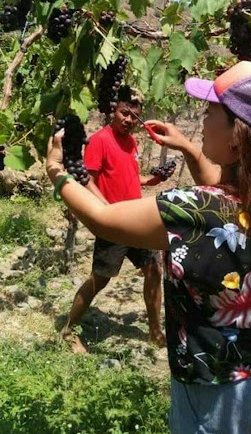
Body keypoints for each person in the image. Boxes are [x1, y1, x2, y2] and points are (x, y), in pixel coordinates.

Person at [47, 61, 251, 434]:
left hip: (218, 394)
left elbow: (102, 218)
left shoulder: (192, 211)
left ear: (237, 136)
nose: (202, 118)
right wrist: (186, 147)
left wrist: (56, 170)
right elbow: (218, 185)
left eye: (210, 110)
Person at [61, 86, 166, 353]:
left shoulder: (132, 142)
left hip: (137, 220)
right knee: (100, 279)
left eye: (134, 116)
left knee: (154, 270)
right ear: (114, 111)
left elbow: (130, 177)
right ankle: (68, 329)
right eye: (124, 113)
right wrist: (106, 209)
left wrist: (151, 180)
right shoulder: (99, 140)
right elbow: (88, 180)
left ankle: (155, 332)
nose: (129, 120)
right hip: (115, 223)